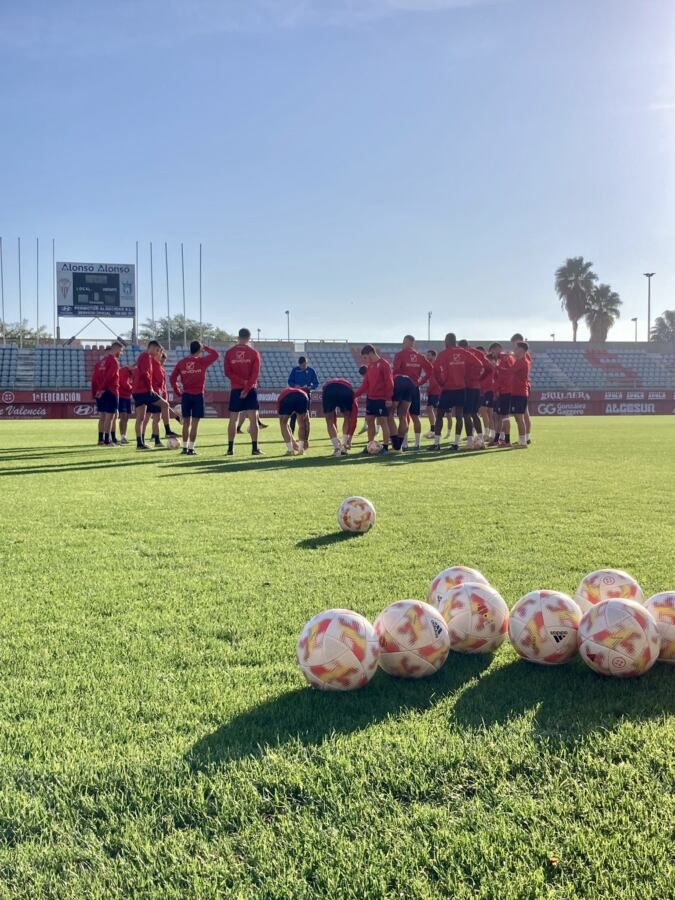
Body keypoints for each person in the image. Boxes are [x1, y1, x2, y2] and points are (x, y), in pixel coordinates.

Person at [170, 341, 219, 456]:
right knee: (195, 423)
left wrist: (178, 391)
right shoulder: (201, 361)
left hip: (186, 395)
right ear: (199, 350)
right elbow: (216, 355)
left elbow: (172, 378)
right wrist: (205, 347)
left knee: (186, 422)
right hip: (198, 395)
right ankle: (191, 449)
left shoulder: (182, 362)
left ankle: (184, 448)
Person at [224, 328, 262, 456]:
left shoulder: (229, 353)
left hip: (235, 389)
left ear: (238, 336)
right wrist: (246, 387)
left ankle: (230, 449)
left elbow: (228, 373)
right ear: (249, 338)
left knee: (233, 419)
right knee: (253, 420)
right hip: (250, 390)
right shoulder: (254, 353)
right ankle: (255, 448)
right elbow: (255, 374)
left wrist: (241, 383)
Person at [132, 340, 174, 451]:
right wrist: (150, 386)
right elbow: (145, 373)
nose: (158, 353)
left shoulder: (144, 357)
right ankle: (168, 431)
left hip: (137, 391)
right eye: (158, 350)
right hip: (144, 390)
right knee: (165, 404)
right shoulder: (146, 356)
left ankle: (140, 443)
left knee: (140, 418)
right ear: (152, 348)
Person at [392, 335, 432, 451]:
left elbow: (396, 371)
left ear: (408, 342)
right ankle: (417, 444)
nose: (402, 344)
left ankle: (403, 443)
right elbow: (430, 370)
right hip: (415, 387)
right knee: (415, 416)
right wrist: (420, 382)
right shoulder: (420, 356)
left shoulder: (400, 355)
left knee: (402, 415)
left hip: (402, 387)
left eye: (404, 342)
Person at [354, 345, 395, 453]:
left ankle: (385, 447)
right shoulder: (370, 366)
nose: (364, 360)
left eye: (365, 357)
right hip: (371, 399)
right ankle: (370, 445)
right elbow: (365, 385)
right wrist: (354, 395)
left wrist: (388, 398)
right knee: (370, 420)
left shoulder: (384, 364)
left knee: (383, 422)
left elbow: (389, 382)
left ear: (371, 353)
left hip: (381, 399)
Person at [430, 334, 468, 452]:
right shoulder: (463, 352)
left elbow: (435, 370)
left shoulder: (443, 354)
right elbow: (478, 364)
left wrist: (442, 382)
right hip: (461, 388)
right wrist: (467, 378)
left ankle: (436, 444)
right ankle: (456, 444)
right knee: (459, 416)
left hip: (447, 389)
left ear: (446, 341)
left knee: (440, 415)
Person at [458, 340, 488, 449]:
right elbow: (489, 368)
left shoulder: (463, 354)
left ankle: (470, 442)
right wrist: (480, 379)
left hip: (468, 387)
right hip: (477, 388)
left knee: (466, 414)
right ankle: (481, 441)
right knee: (474, 414)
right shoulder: (478, 353)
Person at [91, 341, 122, 446]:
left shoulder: (100, 362)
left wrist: (97, 391)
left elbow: (94, 378)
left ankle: (100, 440)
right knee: (110, 416)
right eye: (120, 351)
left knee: (102, 417)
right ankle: (107, 440)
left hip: (101, 392)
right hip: (110, 391)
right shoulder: (113, 361)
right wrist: (103, 388)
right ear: (116, 349)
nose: (121, 353)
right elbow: (110, 376)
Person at [321, 376, 359, 456]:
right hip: (345, 389)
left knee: (329, 420)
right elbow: (353, 418)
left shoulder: (329, 384)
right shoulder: (349, 387)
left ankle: (337, 448)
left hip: (329, 389)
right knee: (347, 417)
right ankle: (344, 446)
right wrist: (350, 438)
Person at [287, 356, 319, 443]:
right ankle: (291, 437)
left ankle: (305, 438)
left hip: (306, 396)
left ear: (306, 363)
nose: (303, 367)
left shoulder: (311, 371)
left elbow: (316, 383)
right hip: (295, 395)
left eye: (304, 365)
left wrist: (310, 387)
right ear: (299, 364)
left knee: (305, 418)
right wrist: (294, 385)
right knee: (293, 417)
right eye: (301, 365)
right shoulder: (295, 370)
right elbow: (290, 381)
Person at [491, 343, 515, 446]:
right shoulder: (500, 360)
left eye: (493, 351)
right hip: (501, 391)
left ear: (498, 349)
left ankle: (507, 441)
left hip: (506, 390)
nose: (492, 354)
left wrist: (498, 368)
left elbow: (511, 371)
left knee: (505, 416)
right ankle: (497, 440)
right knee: (499, 416)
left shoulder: (506, 358)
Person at [511, 333, 532, 444]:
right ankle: (523, 439)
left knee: (521, 416)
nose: (514, 349)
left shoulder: (522, 361)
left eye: (516, 347)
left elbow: (510, 371)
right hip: (518, 391)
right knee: (519, 416)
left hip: (520, 391)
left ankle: (524, 439)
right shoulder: (520, 360)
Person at [277, 387, 310, 455]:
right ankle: (301, 449)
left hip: (287, 397)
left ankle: (290, 450)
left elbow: (285, 424)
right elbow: (307, 423)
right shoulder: (303, 393)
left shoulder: (282, 396)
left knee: (283, 423)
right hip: (303, 396)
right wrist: (306, 440)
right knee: (302, 423)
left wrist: (293, 441)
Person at [477, 346, 497, 443]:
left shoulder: (488, 364)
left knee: (484, 410)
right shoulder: (481, 364)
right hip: (485, 390)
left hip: (488, 390)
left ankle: (488, 433)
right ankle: (491, 434)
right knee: (488, 412)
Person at [421, 349, 441, 438]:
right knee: (430, 409)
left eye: (429, 355)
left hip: (437, 390)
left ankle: (436, 431)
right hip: (432, 390)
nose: (427, 357)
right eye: (427, 355)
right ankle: (433, 430)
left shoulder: (437, 365)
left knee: (435, 410)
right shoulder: (429, 366)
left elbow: (438, 379)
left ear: (433, 356)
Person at [117, 362, 134, 444]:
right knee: (123, 416)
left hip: (127, 397)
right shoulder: (123, 371)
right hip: (121, 396)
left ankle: (124, 436)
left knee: (126, 417)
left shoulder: (132, 373)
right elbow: (124, 383)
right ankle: (122, 436)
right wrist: (133, 389)